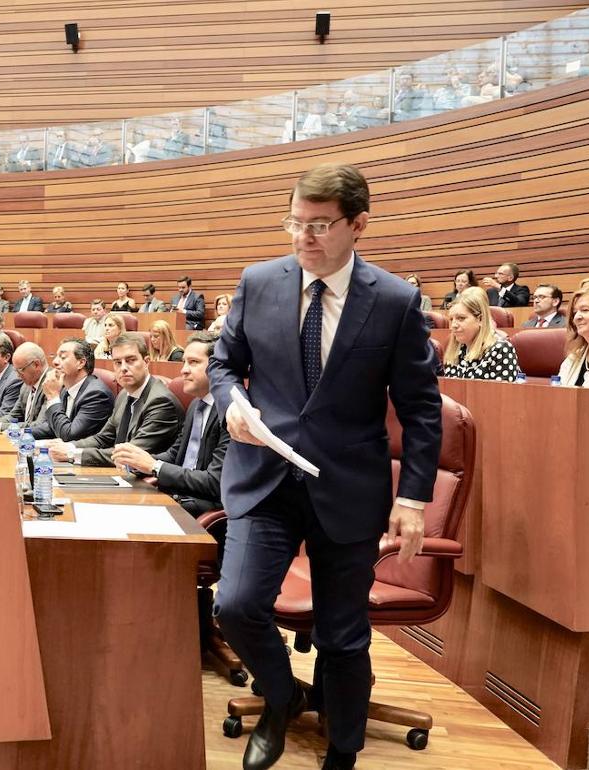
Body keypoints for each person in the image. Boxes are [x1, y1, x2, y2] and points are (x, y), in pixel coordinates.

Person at [207, 164, 441, 770]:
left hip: (348, 488)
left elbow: (420, 410)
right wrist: (232, 401)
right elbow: (224, 365)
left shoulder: (394, 300)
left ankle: (342, 753)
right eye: (294, 223)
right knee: (234, 603)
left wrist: (412, 499)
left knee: (343, 636)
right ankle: (282, 695)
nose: (302, 238)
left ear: (357, 225)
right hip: (264, 476)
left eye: (319, 226)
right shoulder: (259, 283)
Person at [112, 331, 228, 515]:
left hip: (207, 508)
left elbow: (215, 482)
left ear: (217, 367)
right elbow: (175, 455)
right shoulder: (196, 405)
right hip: (179, 497)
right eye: (184, 362)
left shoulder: (230, 412)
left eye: (194, 362)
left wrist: (154, 466)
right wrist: (138, 462)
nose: (184, 370)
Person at [45, 334, 182, 466]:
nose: (123, 368)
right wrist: (68, 446)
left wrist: (72, 454)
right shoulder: (124, 394)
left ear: (146, 362)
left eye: (130, 360)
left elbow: (129, 456)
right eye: (117, 362)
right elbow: (103, 438)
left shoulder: (160, 402)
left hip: (149, 483)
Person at [30, 339, 114, 441]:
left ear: (81, 363)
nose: (55, 362)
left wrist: (52, 397)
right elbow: (53, 427)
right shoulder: (66, 390)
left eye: (63, 357)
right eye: (56, 357)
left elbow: (70, 436)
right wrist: (22, 433)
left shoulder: (96, 395)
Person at [441, 287, 522, 381]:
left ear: (480, 319)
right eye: (451, 319)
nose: (453, 325)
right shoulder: (455, 348)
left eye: (461, 318)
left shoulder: (500, 349)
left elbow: (502, 394)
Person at [0, 342, 49, 429]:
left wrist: (0, 425)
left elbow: (39, 425)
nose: (18, 375)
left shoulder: (50, 385)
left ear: (36, 365)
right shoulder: (26, 386)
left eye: (20, 370)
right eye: (15, 370)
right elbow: (14, 416)